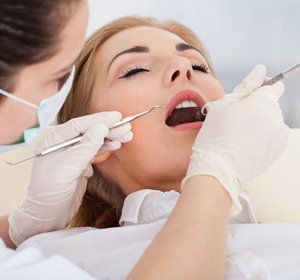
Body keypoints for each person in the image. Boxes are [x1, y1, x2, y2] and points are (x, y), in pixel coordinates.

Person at [16, 17, 293, 279]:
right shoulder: (49, 257)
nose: (182, 67)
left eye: (199, 67)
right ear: (94, 138)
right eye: (136, 70)